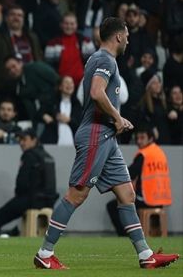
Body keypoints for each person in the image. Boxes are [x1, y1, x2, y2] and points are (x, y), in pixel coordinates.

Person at [33, 17, 179, 270]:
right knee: (76, 194)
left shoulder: (99, 59)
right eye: (127, 35)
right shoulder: (104, 59)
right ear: (119, 36)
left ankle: (146, 256)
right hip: (96, 134)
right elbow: (96, 93)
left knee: (127, 194)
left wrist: (116, 121)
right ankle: (45, 253)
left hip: (106, 137)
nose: (129, 40)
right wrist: (117, 117)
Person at [0, 128, 58, 236]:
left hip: (32, 199)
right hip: (49, 201)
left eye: (24, 139)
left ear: (34, 140)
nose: (21, 143)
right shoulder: (47, 156)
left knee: (1, 213)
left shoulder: (29, 155)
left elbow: (22, 182)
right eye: (20, 140)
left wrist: (19, 196)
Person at [106, 126, 172, 236]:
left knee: (113, 206)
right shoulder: (159, 153)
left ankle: (124, 235)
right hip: (161, 199)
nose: (139, 141)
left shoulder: (144, 154)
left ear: (150, 139)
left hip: (147, 199)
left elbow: (129, 174)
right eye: (137, 138)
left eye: (142, 138)